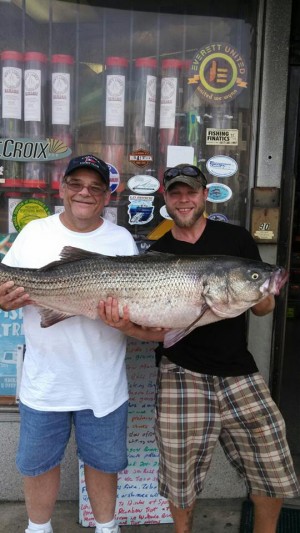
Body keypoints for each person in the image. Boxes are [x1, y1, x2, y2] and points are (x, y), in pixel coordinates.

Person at [99, 163, 300, 533]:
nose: (184, 199)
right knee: (180, 477)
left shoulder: (236, 239)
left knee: (272, 465)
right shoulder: (158, 252)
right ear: (166, 199)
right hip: (180, 373)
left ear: (204, 195)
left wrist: (264, 291)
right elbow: (157, 334)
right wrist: (125, 324)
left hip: (239, 371)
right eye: (176, 193)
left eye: (191, 192)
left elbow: (262, 307)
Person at [0, 154, 138, 533]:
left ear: (107, 197)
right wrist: (3, 297)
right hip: (46, 381)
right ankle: (38, 529)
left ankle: (107, 528)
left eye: (95, 187)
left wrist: (125, 317)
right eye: (76, 184)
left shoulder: (121, 238)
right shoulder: (35, 233)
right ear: (62, 188)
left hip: (103, 381)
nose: (84, 193)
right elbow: (5, 287)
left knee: (103, 463)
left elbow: (135, 304)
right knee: (39, 463)